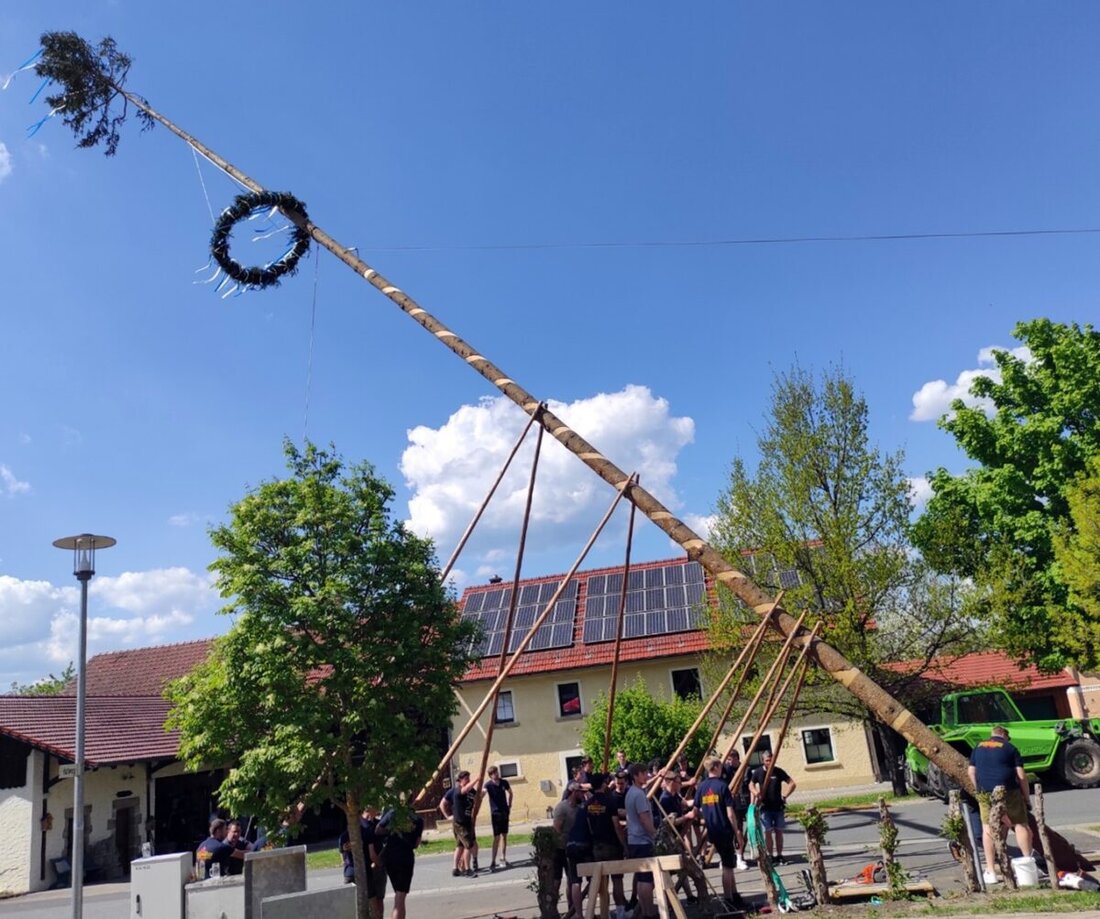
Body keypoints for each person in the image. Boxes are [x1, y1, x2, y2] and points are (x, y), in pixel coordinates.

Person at [968, 725, 1033, 885]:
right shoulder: (1010, 748)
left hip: (985, 792)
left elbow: (971, 772)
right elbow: (1021, 775)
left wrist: (978, 790)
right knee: (1020, 824)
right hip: (1009, 790)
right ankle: (1027, 864)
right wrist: (1026, 797)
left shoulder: (978, 747)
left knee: (988, 828)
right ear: (1004, 735)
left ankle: (990, 871)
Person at [695, 758, 744, 905]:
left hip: (712, 830)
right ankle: (728, 899)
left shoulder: (702, 787)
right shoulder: (722, 786)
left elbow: (696, 809)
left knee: (729, 861)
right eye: (720, 766)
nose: (722, 769)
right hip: (724, 829)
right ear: (715, 767)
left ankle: (734, 894)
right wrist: (737, 832)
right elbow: (730, 813)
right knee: (727, 867)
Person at [585, 773, 627, 914]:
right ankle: (620, 913)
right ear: (603, 784)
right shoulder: (610, 801)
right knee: (617, 880)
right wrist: (624, 845)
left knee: (602, 883)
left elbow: (588, 825)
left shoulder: (588, 804)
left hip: (597, 846)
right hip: (612, 845)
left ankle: (605, 913)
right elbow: (616, 825)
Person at [376, 807, 424, 919]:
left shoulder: (392, 813)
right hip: (405, 858)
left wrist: (391, 831)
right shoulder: (418, 820)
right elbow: (416, 844)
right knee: (400, 896)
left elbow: (378, 830)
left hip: (390, 856)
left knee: (399, 894)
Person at [750, 751, 797, 865]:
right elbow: (751, 784)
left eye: (771, 760)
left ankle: (779, 855)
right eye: (767, 760)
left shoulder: (778, 771)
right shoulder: (758, 772)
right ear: (763, 761)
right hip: (765, 807)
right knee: (767, 832)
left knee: (779, 832)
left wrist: (785, 796)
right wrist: (756, 793)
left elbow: (792, 783)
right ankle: (770, 855)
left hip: (778, 807)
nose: (769, 762)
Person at [624, 762, 657, 919]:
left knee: (641, 878)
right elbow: (644, 818)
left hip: (634, 840)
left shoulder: (631, 792)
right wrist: (655, 834)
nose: (646, 776)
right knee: (646, 879)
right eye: (643, 774)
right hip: (642, 840)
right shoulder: (638, 794)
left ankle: (645, 912)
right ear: (636, 776)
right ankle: (649, 912)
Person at [553, 781, 584, 911]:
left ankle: (572, 908)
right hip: (560, 849)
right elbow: (557, 829)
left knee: (571, 880)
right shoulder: (562, 807)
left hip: (573, 849)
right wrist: (564, 843)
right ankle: (552, 908)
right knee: (557, 880)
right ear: (573, 792)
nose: (582, 794)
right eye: (580, 792)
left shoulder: (580, 807)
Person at [485, 765, 513, 871]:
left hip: (504, 812)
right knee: (496, 837)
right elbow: (483, 792)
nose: (496, 774)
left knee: (504, 835)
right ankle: (493, 860)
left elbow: (510, 793)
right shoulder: (488, 785)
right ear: (490, 775)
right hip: (495, 813)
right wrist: (480, 795)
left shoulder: (504, 782)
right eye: (494, 773)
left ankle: (503, 857)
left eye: (497, 772)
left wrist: (509, 805)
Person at [438, 782, 466, 877]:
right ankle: (459, 867)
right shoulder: (452, 792)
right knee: (462, 845)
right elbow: (442, 804)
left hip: (465, 820)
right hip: (458, 821)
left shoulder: (467, 790)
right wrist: (447, 816)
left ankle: (461, 866)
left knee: (462, 845)